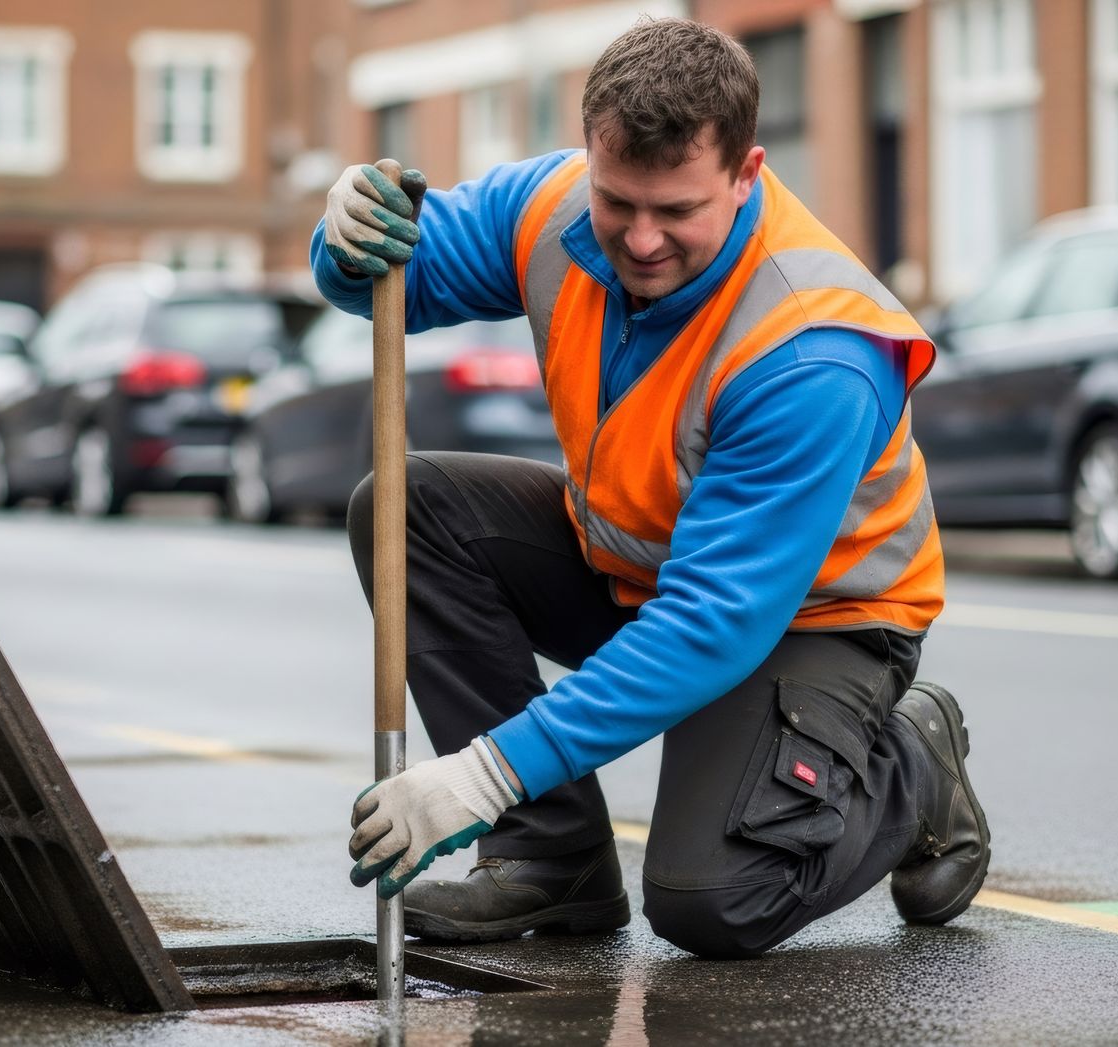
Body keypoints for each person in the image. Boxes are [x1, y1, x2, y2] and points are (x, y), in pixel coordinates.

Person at [313, 16, 988, 960]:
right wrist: (345, 240)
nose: (640, 238)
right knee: (407, 506)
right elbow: (395, 277)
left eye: (676, 211)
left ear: (747, 173)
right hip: (639, 566)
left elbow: (714, 623)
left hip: (817, 622)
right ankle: (555, 864)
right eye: (617, 200)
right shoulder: (555, 207)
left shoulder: (811, 348)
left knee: (711, 899)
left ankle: (916, 757)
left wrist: (483, 775)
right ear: (591, 152)